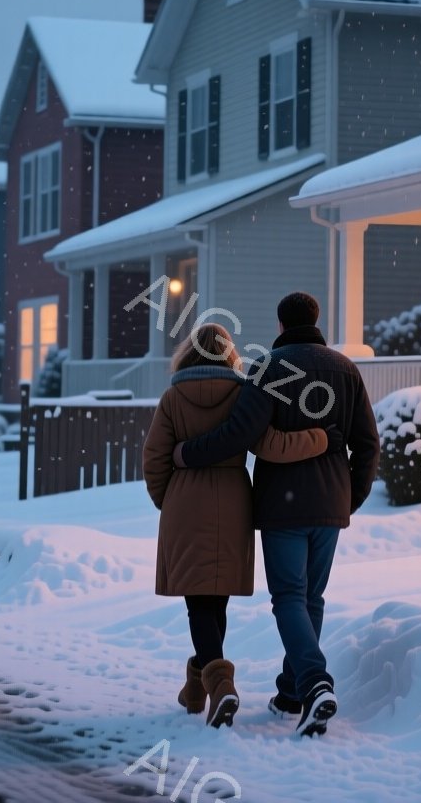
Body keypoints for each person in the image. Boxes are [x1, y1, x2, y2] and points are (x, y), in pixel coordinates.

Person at [173, 292, 379, 737]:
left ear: (281, 325)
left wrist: (188, 452)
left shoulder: (268, 369)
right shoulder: (346, 370)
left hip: (283, 505)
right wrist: (351, 496)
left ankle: (314, 681)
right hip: (329, 504)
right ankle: (291, 691)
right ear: (316, 320)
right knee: (311, 600)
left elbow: (239, 434)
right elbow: (367, 443)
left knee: (289, 597)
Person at [142, 322, 339, 728]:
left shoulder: (173, 397)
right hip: (233, 503)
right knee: (217, 599)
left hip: (185, 502)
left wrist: (171, 500)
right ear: (229, 354)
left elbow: (154, 459)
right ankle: (199, 685)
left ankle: (219, 683)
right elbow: (271, 445)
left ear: (188, 354)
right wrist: (321, 437)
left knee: (198, 602)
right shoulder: (241, 394)